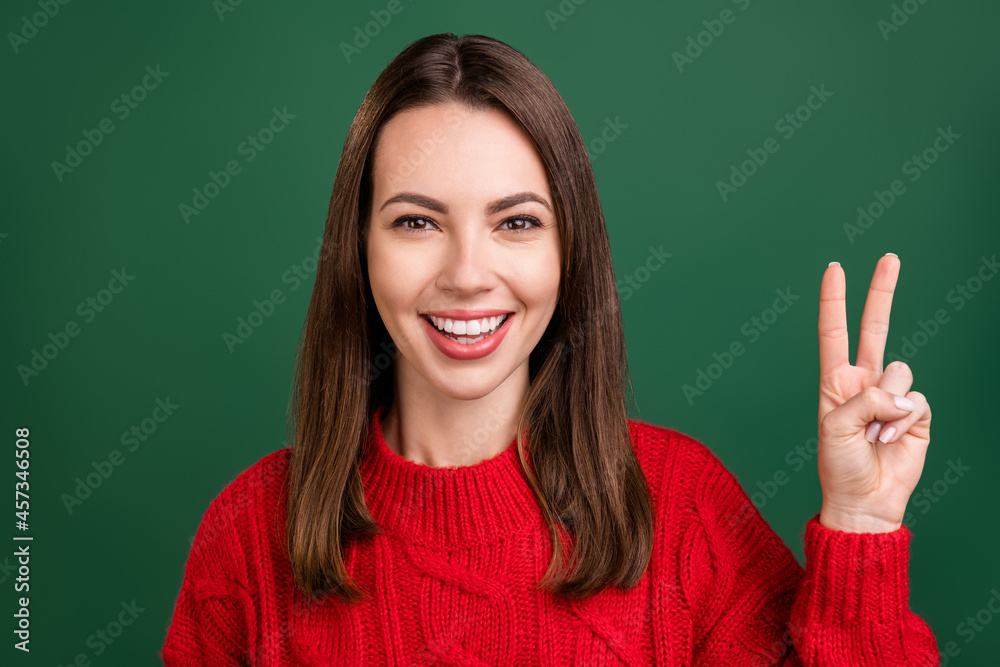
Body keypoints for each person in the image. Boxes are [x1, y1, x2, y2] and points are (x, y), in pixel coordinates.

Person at [160, 33, 939, 665]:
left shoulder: (685, 512)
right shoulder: (250, 537)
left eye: (518, 222)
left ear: (572, 254)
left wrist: (863, 525)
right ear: (357, 251)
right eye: (417, 221)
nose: (468, 274)